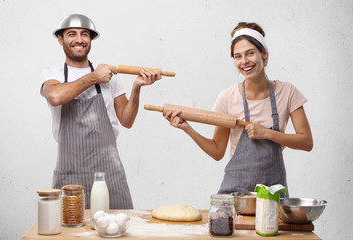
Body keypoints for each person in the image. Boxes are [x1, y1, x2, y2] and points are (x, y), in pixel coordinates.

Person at [164, 22, 313, 196]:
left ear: (264, 54)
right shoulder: (227, 97)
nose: (244, 62)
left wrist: (266, 133)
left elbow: (307, 142)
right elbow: (217, 151)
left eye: (250, 53)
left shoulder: (287, 92)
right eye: (237, 56)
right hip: (235, 196)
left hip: (273, 197)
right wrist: (187, 128)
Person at [40, 14, 161, 209]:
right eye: (72, 34)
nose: (79, 39)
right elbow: (55, 96)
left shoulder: (110, 77)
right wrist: (94, 77)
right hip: (70, 176)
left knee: (118, 231)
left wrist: (136, 87)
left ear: (90, 40)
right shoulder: (52, 73)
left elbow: (127, 120)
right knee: (70, 233)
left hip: (109, 176)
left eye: (85, 34)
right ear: (60, 39)